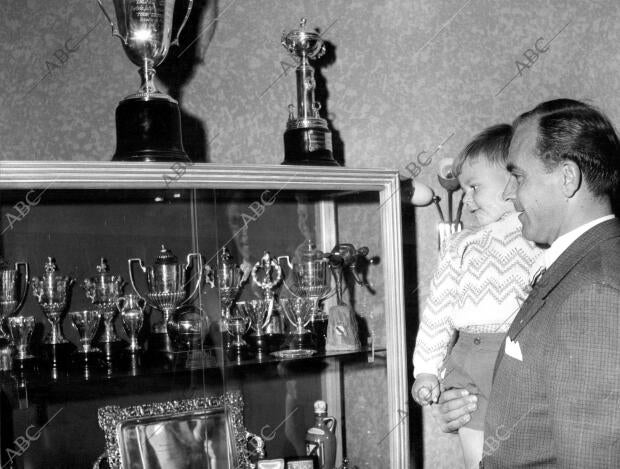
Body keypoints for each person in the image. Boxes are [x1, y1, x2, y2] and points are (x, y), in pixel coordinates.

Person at [434, 99, 620, 468]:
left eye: (518, 177)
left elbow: (592, 454)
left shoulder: (595, 291)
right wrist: (472, 408)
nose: (507, 193)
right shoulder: (572, 262)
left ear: (567, 178)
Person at [411, 124, 543, 468]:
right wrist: (425, 370)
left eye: (474, 187)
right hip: (467, 355)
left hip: (514, 355)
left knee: (514, 447)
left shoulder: (537, 236)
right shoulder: (460, 244)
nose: (466, 201)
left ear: (513, 181)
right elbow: (437, 311)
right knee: (476, 453)